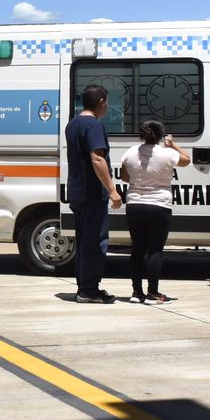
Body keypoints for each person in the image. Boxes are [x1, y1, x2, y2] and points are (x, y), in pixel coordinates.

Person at [119, 120, 191, 304]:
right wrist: (172, 144)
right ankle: (153, 293)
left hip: (134, 204)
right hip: (159, 205)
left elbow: (124, 177)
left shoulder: (130, 153)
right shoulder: (168, 154)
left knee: (137, 249)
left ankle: (136, 293)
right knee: (155, 251)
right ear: (160, 136)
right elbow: (187, 160)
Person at [65, 84, 122, 304]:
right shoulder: (94, 125)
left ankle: (84, 286)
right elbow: (97, 158)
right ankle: (89, 290)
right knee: (96, 241)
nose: (107, 107)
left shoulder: (72, 124)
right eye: (106, 102)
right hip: (92, 193)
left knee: (83, 241)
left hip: (77, 192)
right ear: (100, 103)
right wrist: (112, 189)